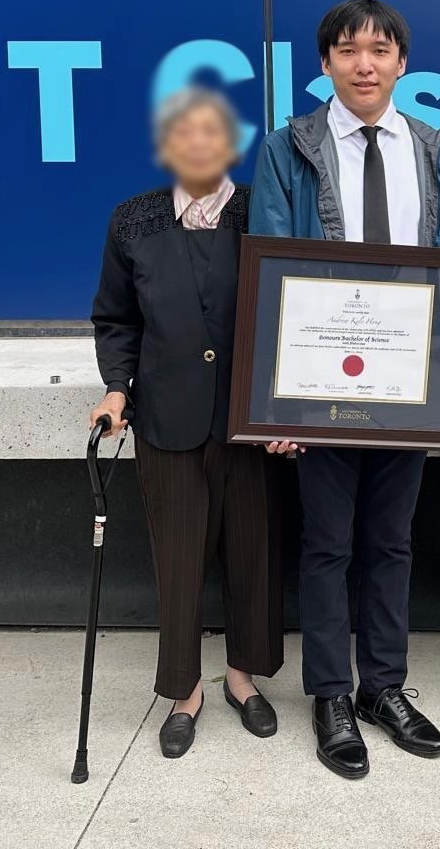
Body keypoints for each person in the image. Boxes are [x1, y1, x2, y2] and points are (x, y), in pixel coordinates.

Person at [249, 0, 440, 780]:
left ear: (401, 64)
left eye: (380, 50)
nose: (365, 63)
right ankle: (328, 694)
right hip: (320, 380)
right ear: (324, 64)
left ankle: (382, 687)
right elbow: (268, 264)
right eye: (349, 50)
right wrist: (272, 403)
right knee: (326, 544)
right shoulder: (289, 148)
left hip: (408, 381)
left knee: (389, 542)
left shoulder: (435, 147)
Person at [89, 87, 282, 761]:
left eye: (212, 132)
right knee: (177, 558)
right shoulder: (132, 221)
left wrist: (291, 408)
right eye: (183, 133)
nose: (198, 143)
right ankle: (183, 690)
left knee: (253, 552)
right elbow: (116, 318)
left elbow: (293, 310)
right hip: (167, 416)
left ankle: (243, 676)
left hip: (248, 418)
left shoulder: (264, 211)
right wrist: (117, 390)